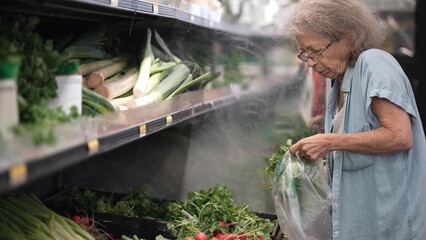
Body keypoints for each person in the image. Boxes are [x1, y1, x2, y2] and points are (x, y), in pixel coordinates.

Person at [285, 0, 426, 239]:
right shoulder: (340, 80)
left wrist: (328, 142)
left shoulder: (374, 63)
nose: (309, 61)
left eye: (315, 51)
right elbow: (363, 126)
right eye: (304, 53)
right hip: (361, 222)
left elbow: (400, 136)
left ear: (348, 38)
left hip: (388, 224)